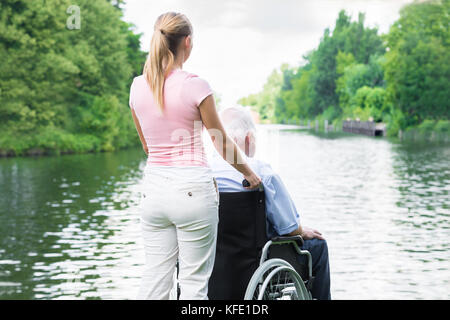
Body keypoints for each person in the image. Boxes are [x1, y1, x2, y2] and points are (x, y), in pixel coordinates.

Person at [129, 13, 261, 300]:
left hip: (153, 192)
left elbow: (148, 147)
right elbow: (221, 143)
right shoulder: (196, 85)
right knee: (193, 284)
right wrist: (249, 174)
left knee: (155, 277)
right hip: (192, 192)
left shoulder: (138, 87)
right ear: (187, 42)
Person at [209, 106, 331, 300]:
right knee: (317, 246)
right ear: (249, 139)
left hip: (213, 263)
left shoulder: (204, 172)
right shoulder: (260, 172)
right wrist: (300, 230)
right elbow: (289, 228)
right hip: (257, 262)